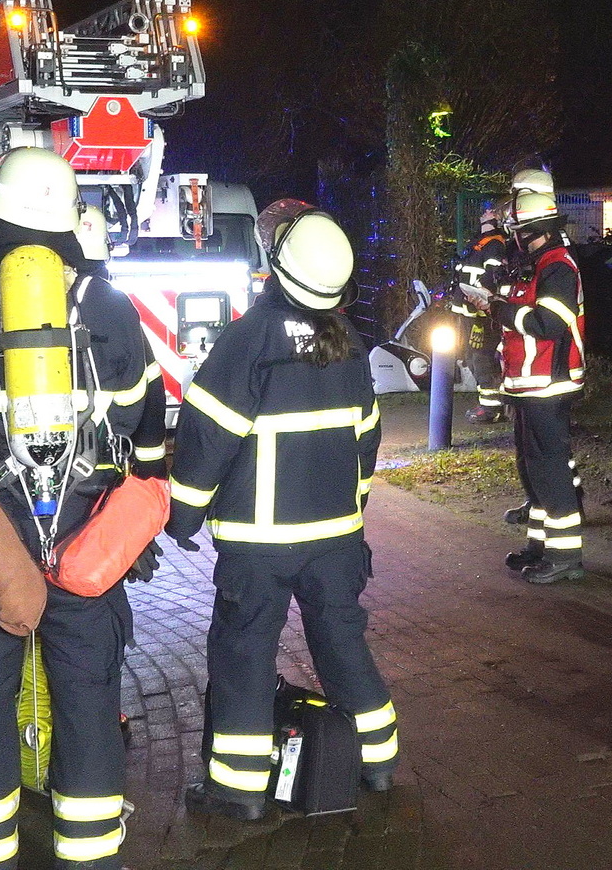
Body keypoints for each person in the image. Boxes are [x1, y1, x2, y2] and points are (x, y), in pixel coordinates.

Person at [0, 148, 160, 870]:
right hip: (88, 546)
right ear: (67, 224)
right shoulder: (109, 308)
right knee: (87, 696)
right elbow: (144, 419)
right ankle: (90, 851)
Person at [167, 205, 397, 823]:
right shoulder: (348, 344)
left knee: (244, 654)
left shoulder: (250, 339)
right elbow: (366, 440)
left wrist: (182, 516)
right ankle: (377, 760)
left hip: (259, 544)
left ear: (276, 265)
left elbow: (209, 434)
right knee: (342, 642)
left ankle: (237, 789)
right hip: (337, 539)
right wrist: (353, 507)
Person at [494, 184, 589, 585]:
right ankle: (539, 546)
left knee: (550, 470)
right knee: (532, 469)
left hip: (549, 384)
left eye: (522, 232)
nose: (518, 240)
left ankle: (565, 556)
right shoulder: (536, 265)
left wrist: (501, 310)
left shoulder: (558, 266)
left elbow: (547, 324)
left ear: (542, 230)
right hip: (528, 385)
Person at [450, 198, 514, 424]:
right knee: (472, 356)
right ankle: (491, 404)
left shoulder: (494, 244)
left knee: (481, 357)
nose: (484, 212)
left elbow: (491, 278)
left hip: (480, 315)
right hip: (469, 311)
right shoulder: (482, 241)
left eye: (489, 210)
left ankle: (491, 408)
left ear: (497, 218)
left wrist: (482, 306)